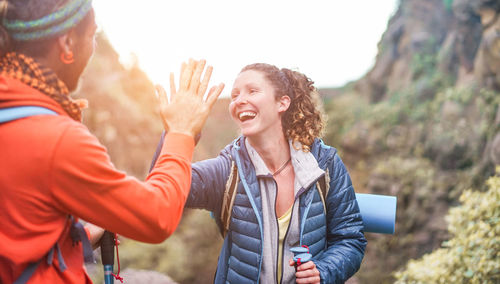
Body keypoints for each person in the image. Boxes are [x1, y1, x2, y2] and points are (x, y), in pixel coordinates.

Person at [0, 0, 224, 283]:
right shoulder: (56, 137)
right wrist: (181, 133)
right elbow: (156, 217)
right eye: (91, 36)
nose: (92, 48)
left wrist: (77, 236)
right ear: (68, 43)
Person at [152, 63, 367, 283]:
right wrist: (179, 130)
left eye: (252, 91)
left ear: (282, 102)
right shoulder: (228, 170)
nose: (239, 100)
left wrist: (322, 271)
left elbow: (350, 239)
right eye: (235, 95)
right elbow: (161, 193)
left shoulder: (325, 165)